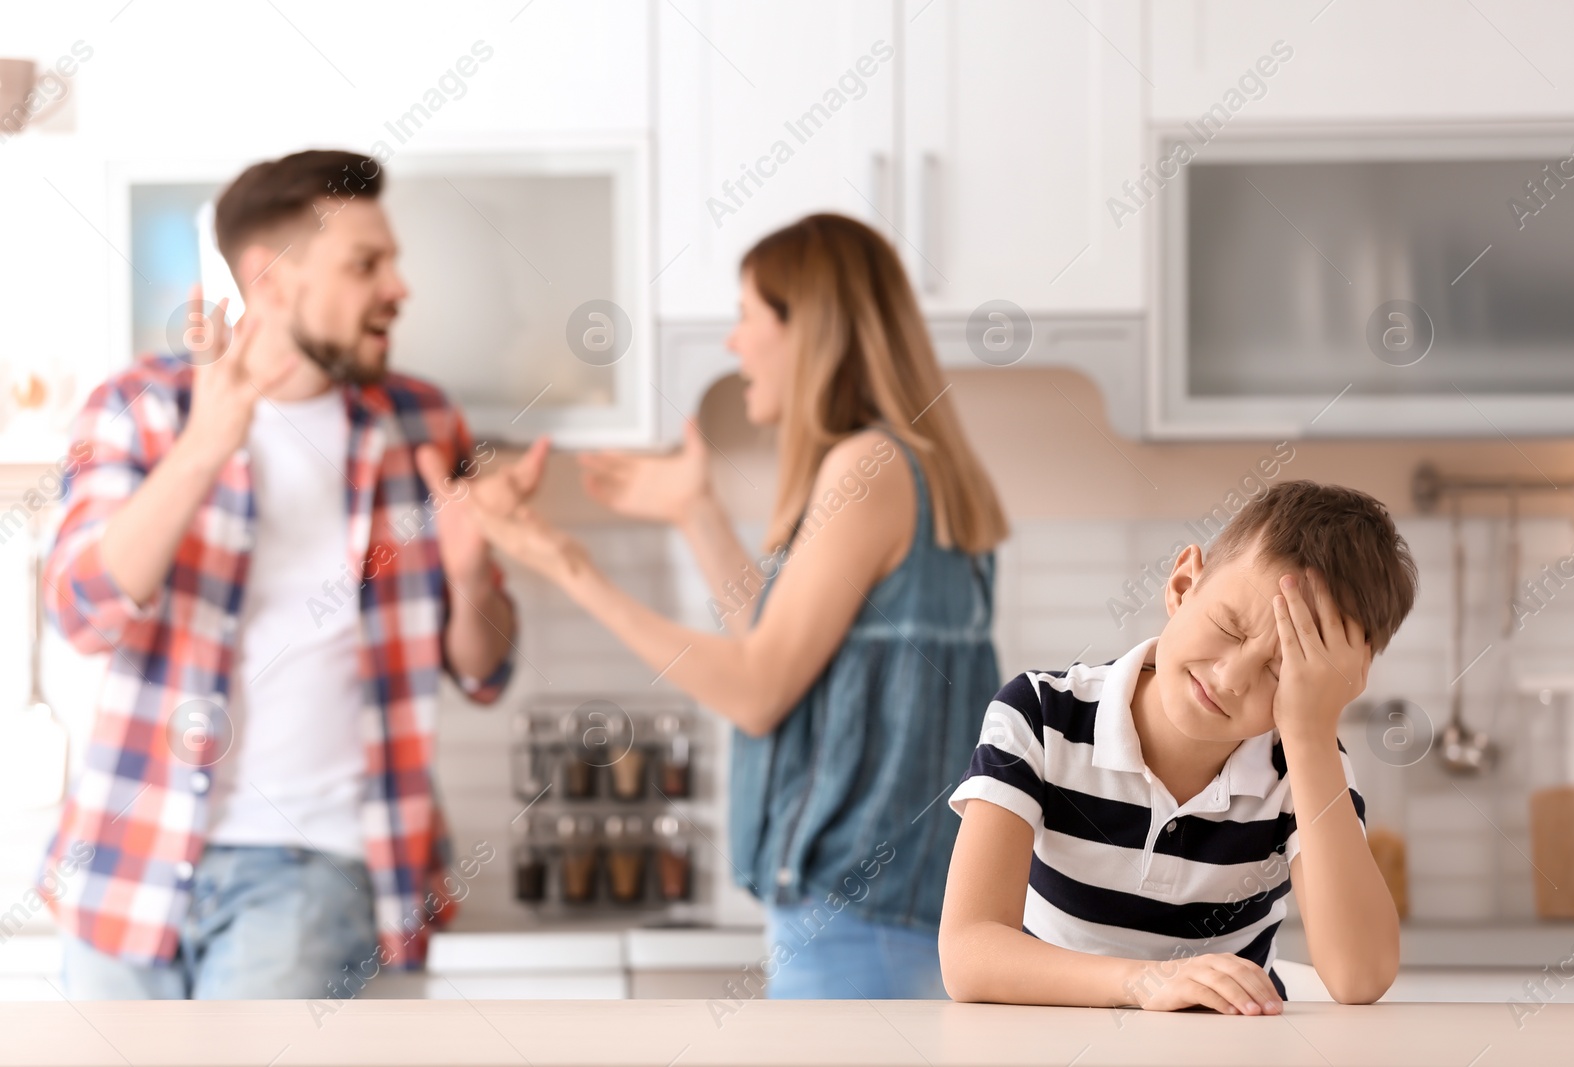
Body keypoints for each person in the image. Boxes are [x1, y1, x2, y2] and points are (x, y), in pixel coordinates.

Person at [439, 213, 1008, 998]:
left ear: (805, 329)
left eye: (747, 316)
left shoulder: (868, 465)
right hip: (881, 912)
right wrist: (696, 513)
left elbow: (756, 691)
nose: (734, 342)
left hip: (855, 917)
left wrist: (570, 566)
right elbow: (784, 656)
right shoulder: (910, 464)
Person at [42, 149, 527, 999]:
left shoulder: (421, 422)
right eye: (365, 264)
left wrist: (473, 574)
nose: (398, 289)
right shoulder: (141, 408)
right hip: (127, 860)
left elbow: (485, 672)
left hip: (316, 861)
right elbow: (82, 612)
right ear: (269, 281)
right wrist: (202, 451)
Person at [939, 481, 1416, 1011]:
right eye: (1229, 626)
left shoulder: (1303, 764)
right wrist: (1148, 983)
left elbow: (1361, 977)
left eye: (1281, 671)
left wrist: (1309, 733)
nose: (1232, 677)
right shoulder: (1039, 714)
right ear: (1184, 585)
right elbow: (968, 952)